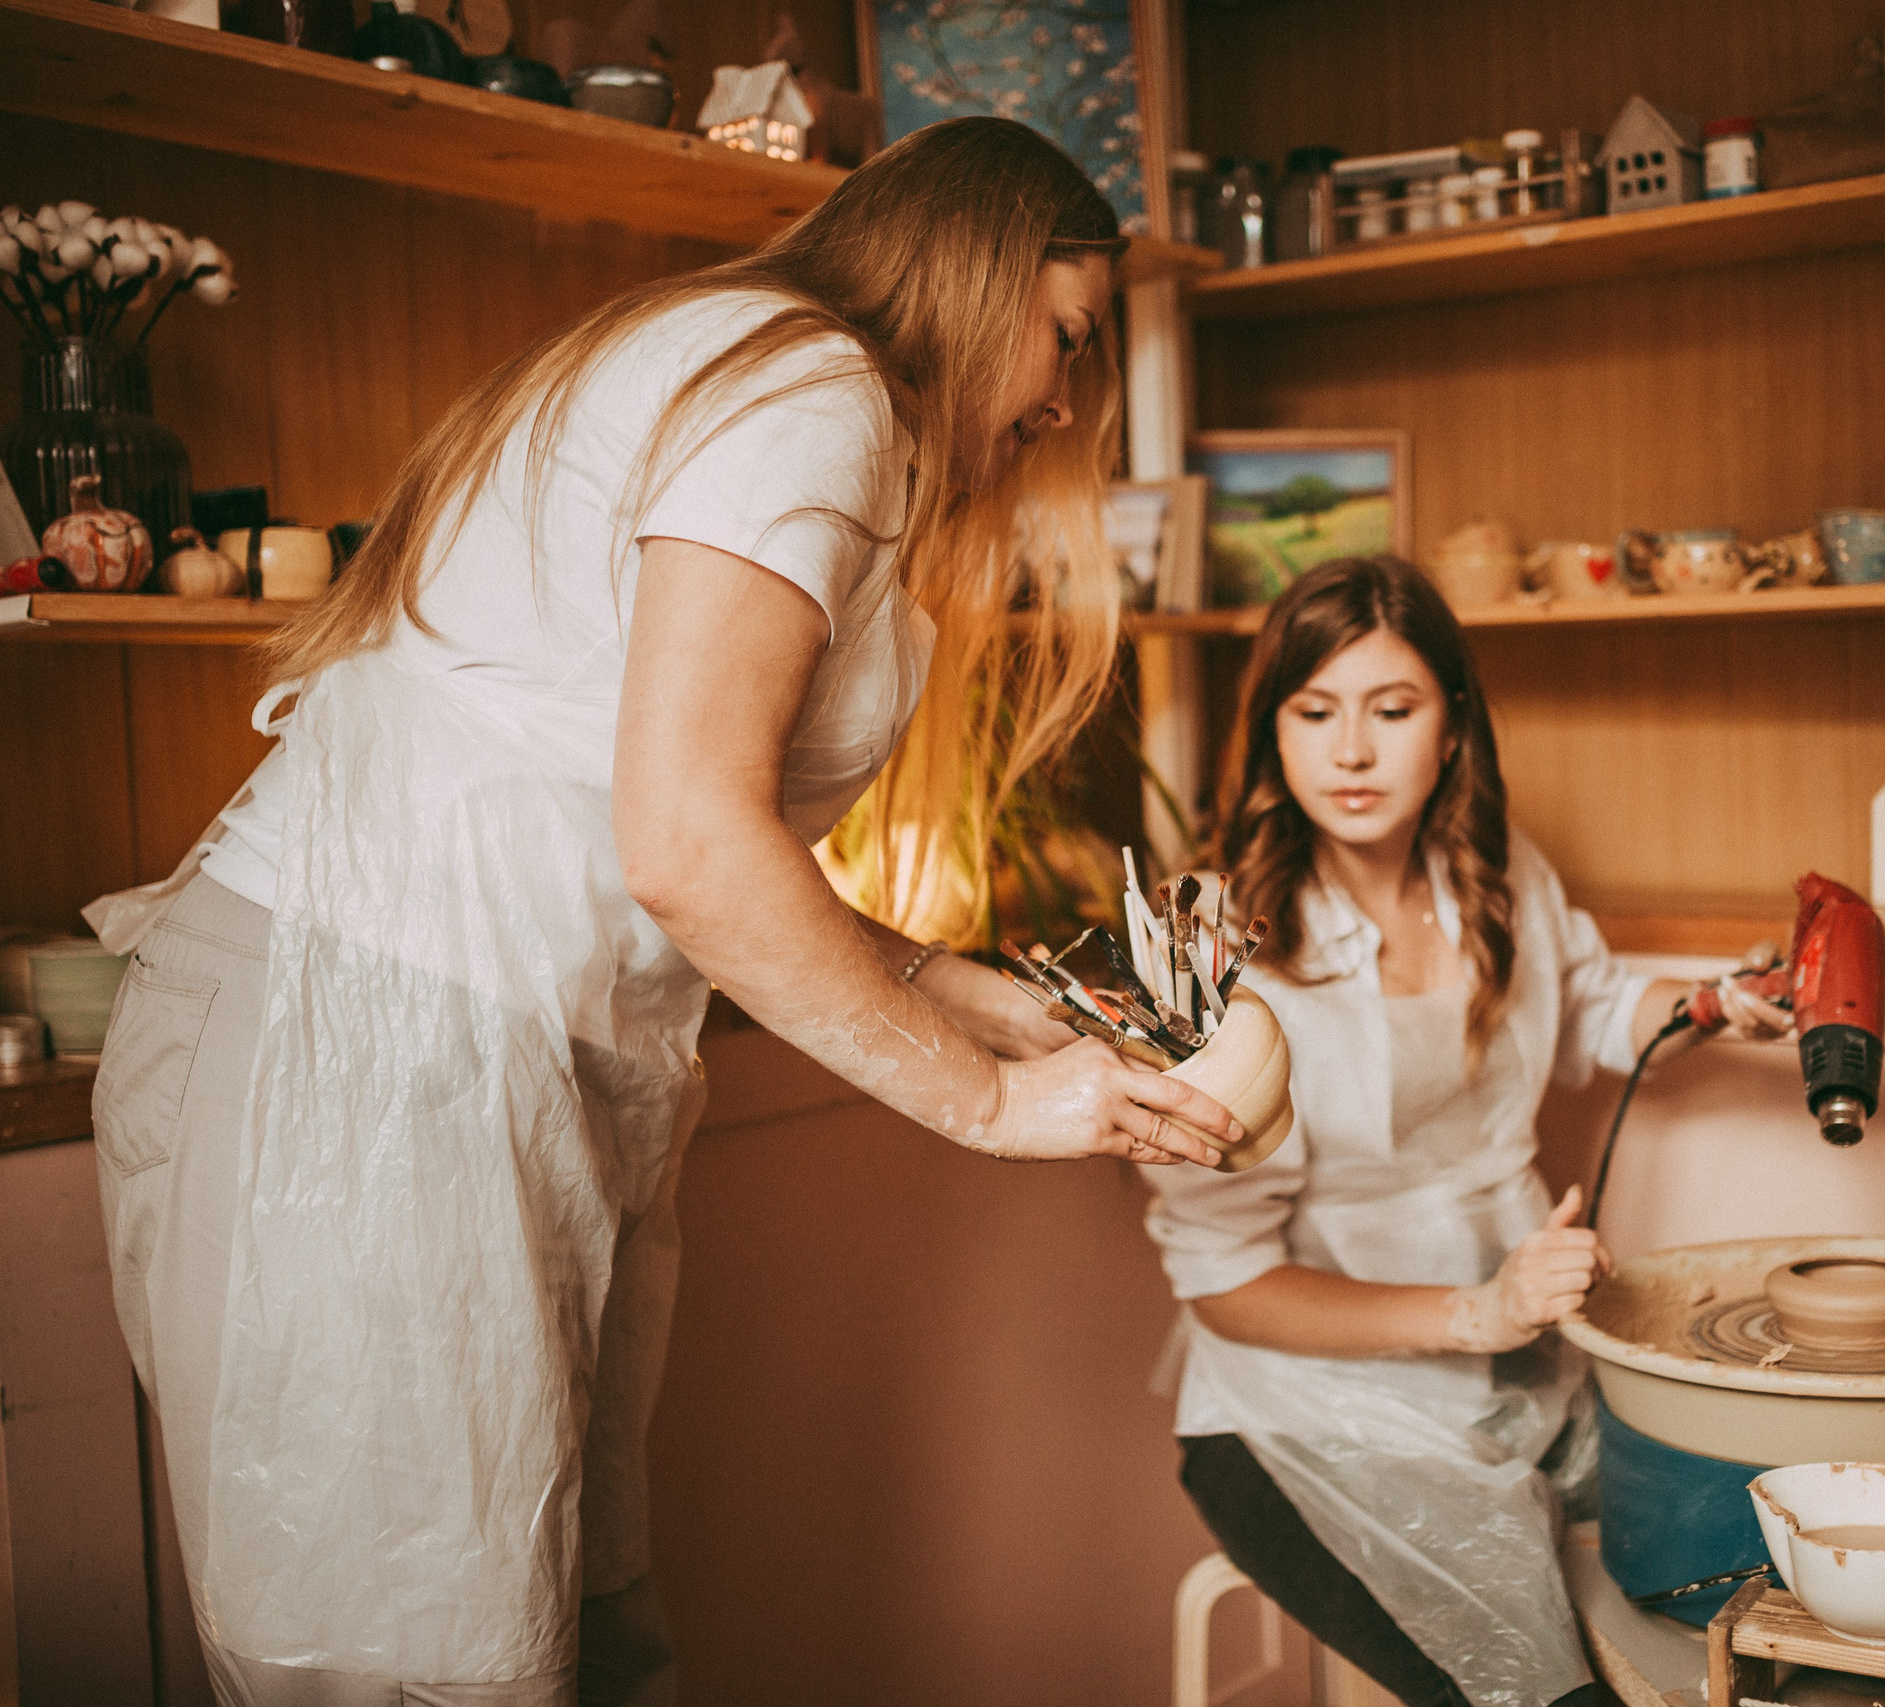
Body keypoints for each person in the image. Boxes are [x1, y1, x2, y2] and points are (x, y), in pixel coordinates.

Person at [84, 118, 1240, 1706]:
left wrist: (939, 977)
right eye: (1065, 337)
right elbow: (688, 839)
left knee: (573, 1635)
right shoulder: (805, 388)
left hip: (480, 1052)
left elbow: (684, 810)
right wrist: (990, 1100)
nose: (1058, 398)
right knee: (417, 1669)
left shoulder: (796, 402)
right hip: (352, 1048)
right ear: (972, 273)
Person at [1142, 557, 1789, 1707]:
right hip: (1293, 1417)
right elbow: (1226, 1284)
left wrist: (1708, 1005)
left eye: (1392, 712)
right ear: (1272, 731)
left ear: (1451, 730)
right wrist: (1473, 1312)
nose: (1350, 753)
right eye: (1314, 713)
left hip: (1515, 1370)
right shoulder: (1212, 944)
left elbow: (1593, 1006)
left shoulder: (1495, 877)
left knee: (1767, 1570)